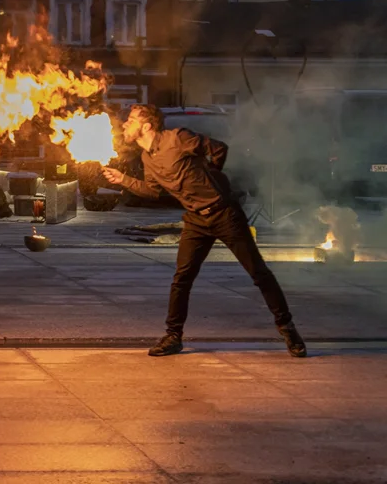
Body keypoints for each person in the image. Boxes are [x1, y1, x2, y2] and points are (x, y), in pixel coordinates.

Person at [102, 105, 306, 358]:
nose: (125, 124)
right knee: (182, 278)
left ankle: (287, 328)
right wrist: (123, 180)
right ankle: (173, 336)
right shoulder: (147, 158)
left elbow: (219, 148)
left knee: (258, 273)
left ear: (146, 126)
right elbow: (154, 191)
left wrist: (213, 176)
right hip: (196, 221)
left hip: (224, 214)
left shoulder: (177, 138)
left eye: (131, 120)